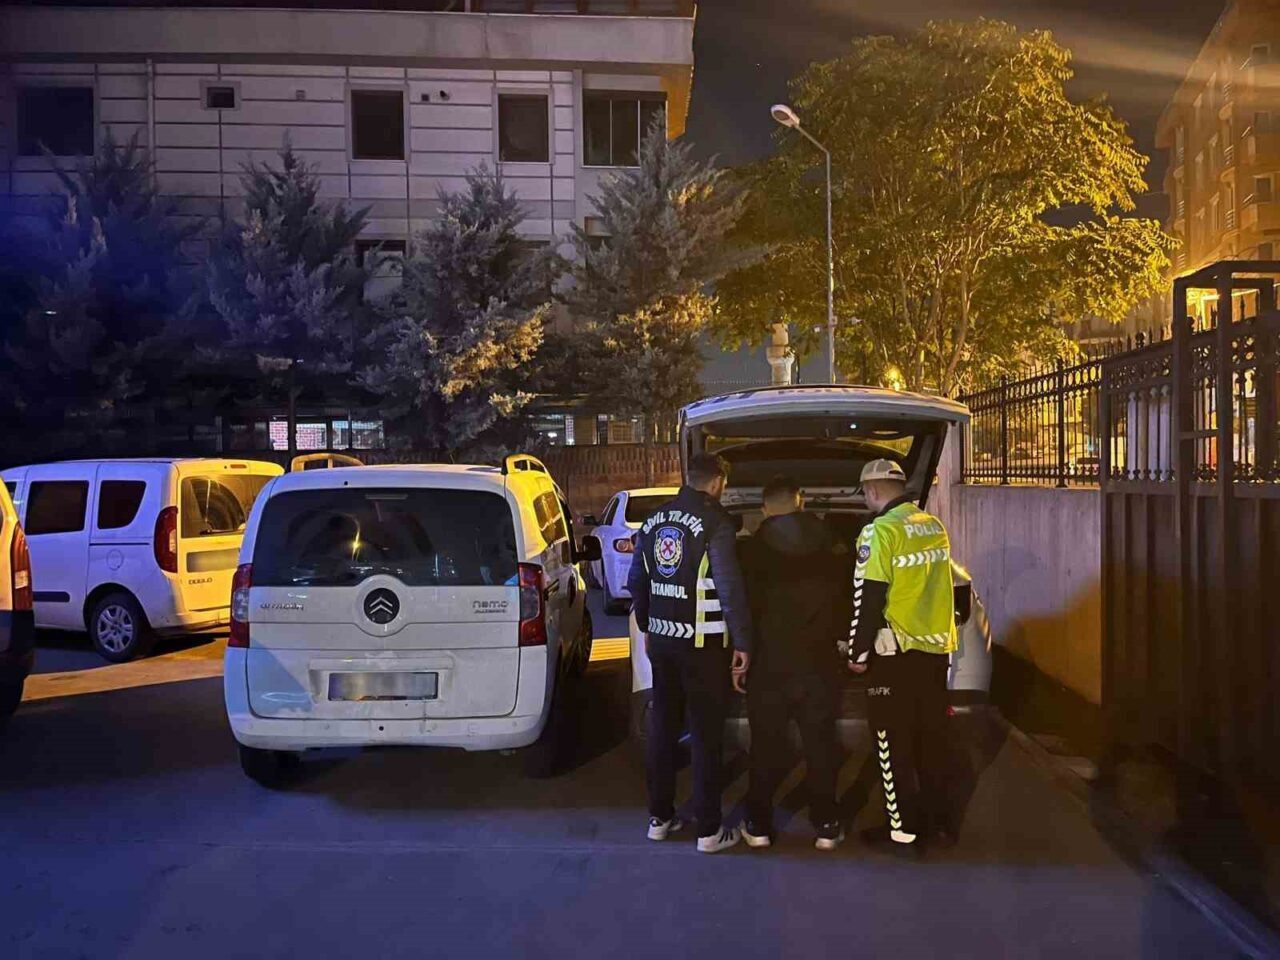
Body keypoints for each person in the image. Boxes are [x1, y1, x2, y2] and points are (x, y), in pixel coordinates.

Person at [628, 452, 753, 854]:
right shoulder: (715, 522)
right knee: (705, 736)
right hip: (704, 647)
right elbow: (730, 588)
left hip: (663, 642)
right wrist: (743, 642)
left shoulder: (652, 522)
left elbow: (637, 582)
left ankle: (659, 818)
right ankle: (709, 831)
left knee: (663, 729)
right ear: (718, 482)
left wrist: (647, 626)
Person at [845, 458, 958, 854]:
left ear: (872, 491)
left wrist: (858, 652)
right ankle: (939, 822)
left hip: (895, 656)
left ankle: (903, 831)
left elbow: (869, 596)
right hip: (935, 652)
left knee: (892, 744)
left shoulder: (879, 532)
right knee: (932, 740)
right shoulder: (932, 525)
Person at [737, 475, 851, 852]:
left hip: (768, 666)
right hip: (819, 665)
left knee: (766, 746)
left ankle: (758, 824)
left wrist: (739, 655)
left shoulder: (750, 552)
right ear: (801, 504)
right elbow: (849, 599)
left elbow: (740, 608)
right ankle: (827, 825)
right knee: (821, 745)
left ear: (766, 509)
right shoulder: (834, 547)